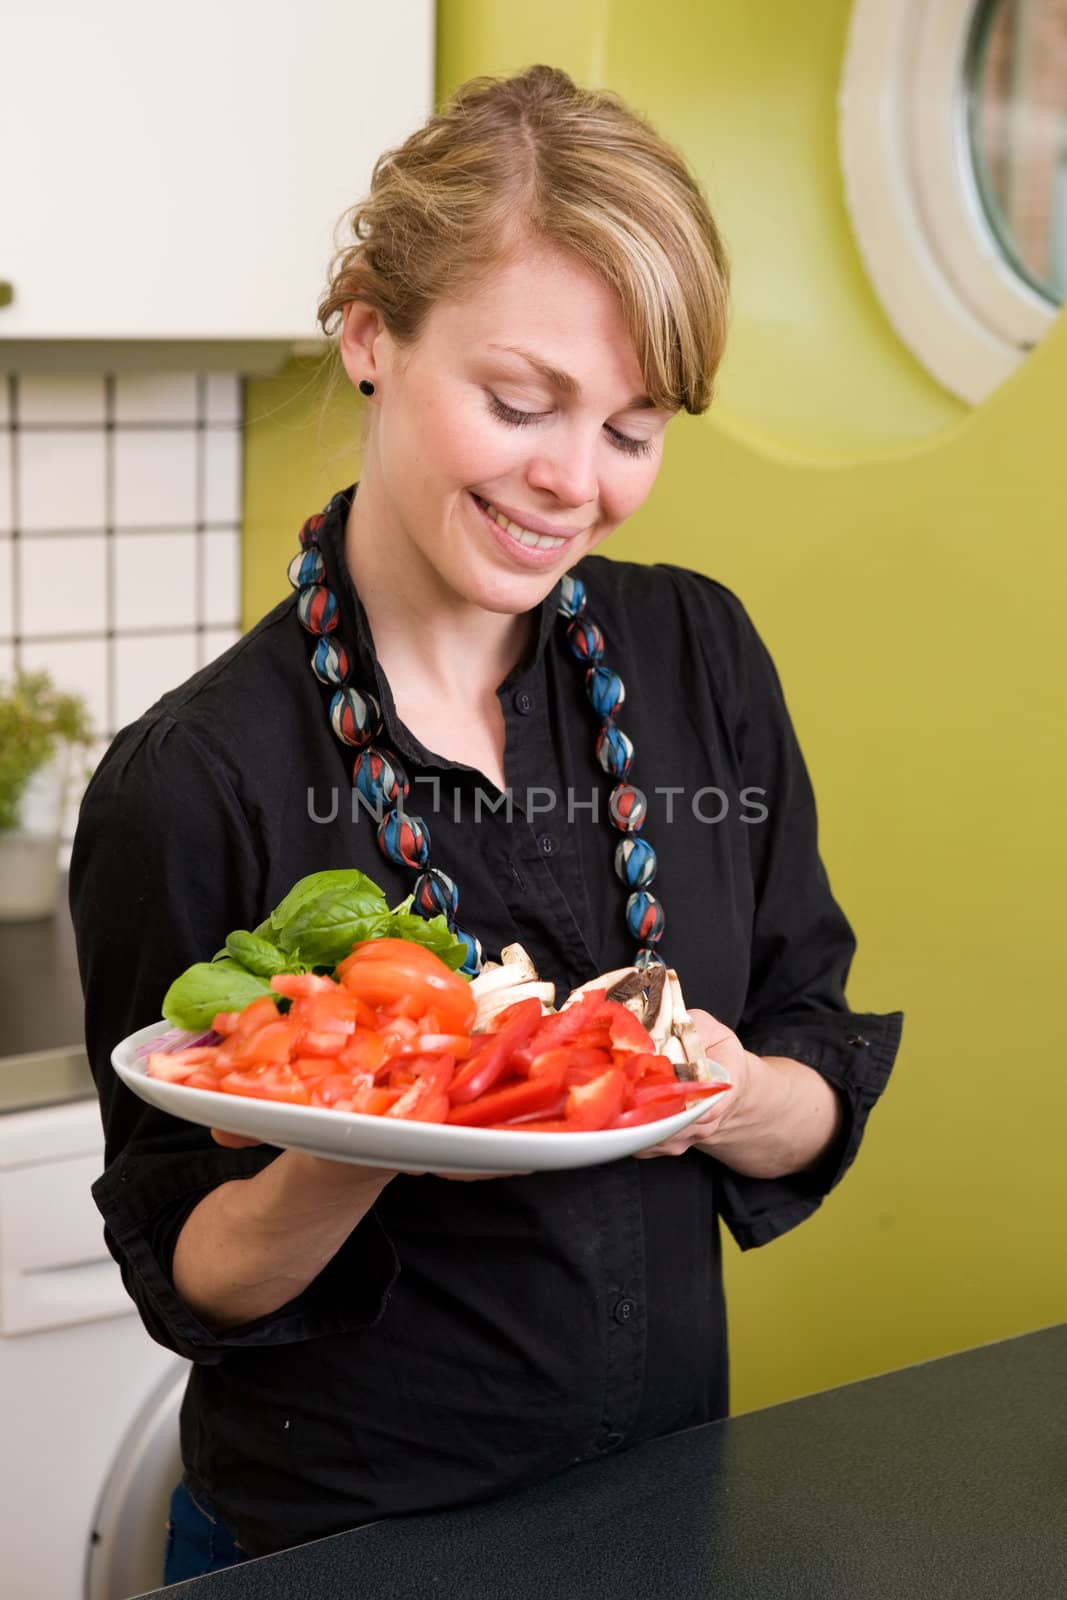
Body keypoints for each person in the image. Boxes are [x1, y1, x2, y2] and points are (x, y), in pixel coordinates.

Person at [70, 64, 903, 1582]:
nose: (571, 483)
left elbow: (816, 1045)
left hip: (661, 1512)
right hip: (342, 1549)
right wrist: (373, 1137)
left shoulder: (698, 658)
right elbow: (189, 1267)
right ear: (371, 335)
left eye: (633, 431)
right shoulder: (192, 779)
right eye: (520, 403)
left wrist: (721, 1090)